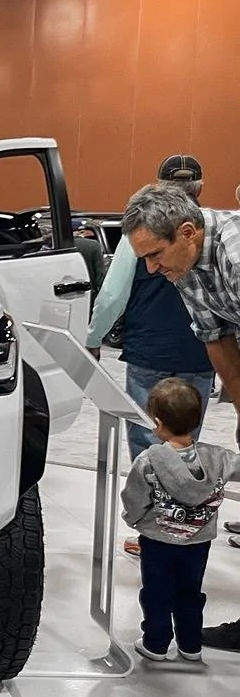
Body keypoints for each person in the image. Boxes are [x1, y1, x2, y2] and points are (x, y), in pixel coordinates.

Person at [121, 180, 240, 650]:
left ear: (187, 233)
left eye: (155, 255)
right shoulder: (185, 269)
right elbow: (217, 339)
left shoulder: (234, 254)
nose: (152, 268)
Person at [87, 156, 215, 557]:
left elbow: (112, 294)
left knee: (148, 443)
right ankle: (179, 526)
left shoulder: (140, 231)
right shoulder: (206, 232)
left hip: (149, 353)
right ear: (201, 188)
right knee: (184, 442)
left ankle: (156, 533)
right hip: (202, 353)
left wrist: (92, 335)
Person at [122, 378, 236, 662]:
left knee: (157, 593)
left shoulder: (149, 461)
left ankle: (156, 645)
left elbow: (134, 498)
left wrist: (135, 521)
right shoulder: (218, 458)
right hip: (199, 542)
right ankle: (191, 645)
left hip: (158, 541)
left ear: (158, 423)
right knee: (190, 592)